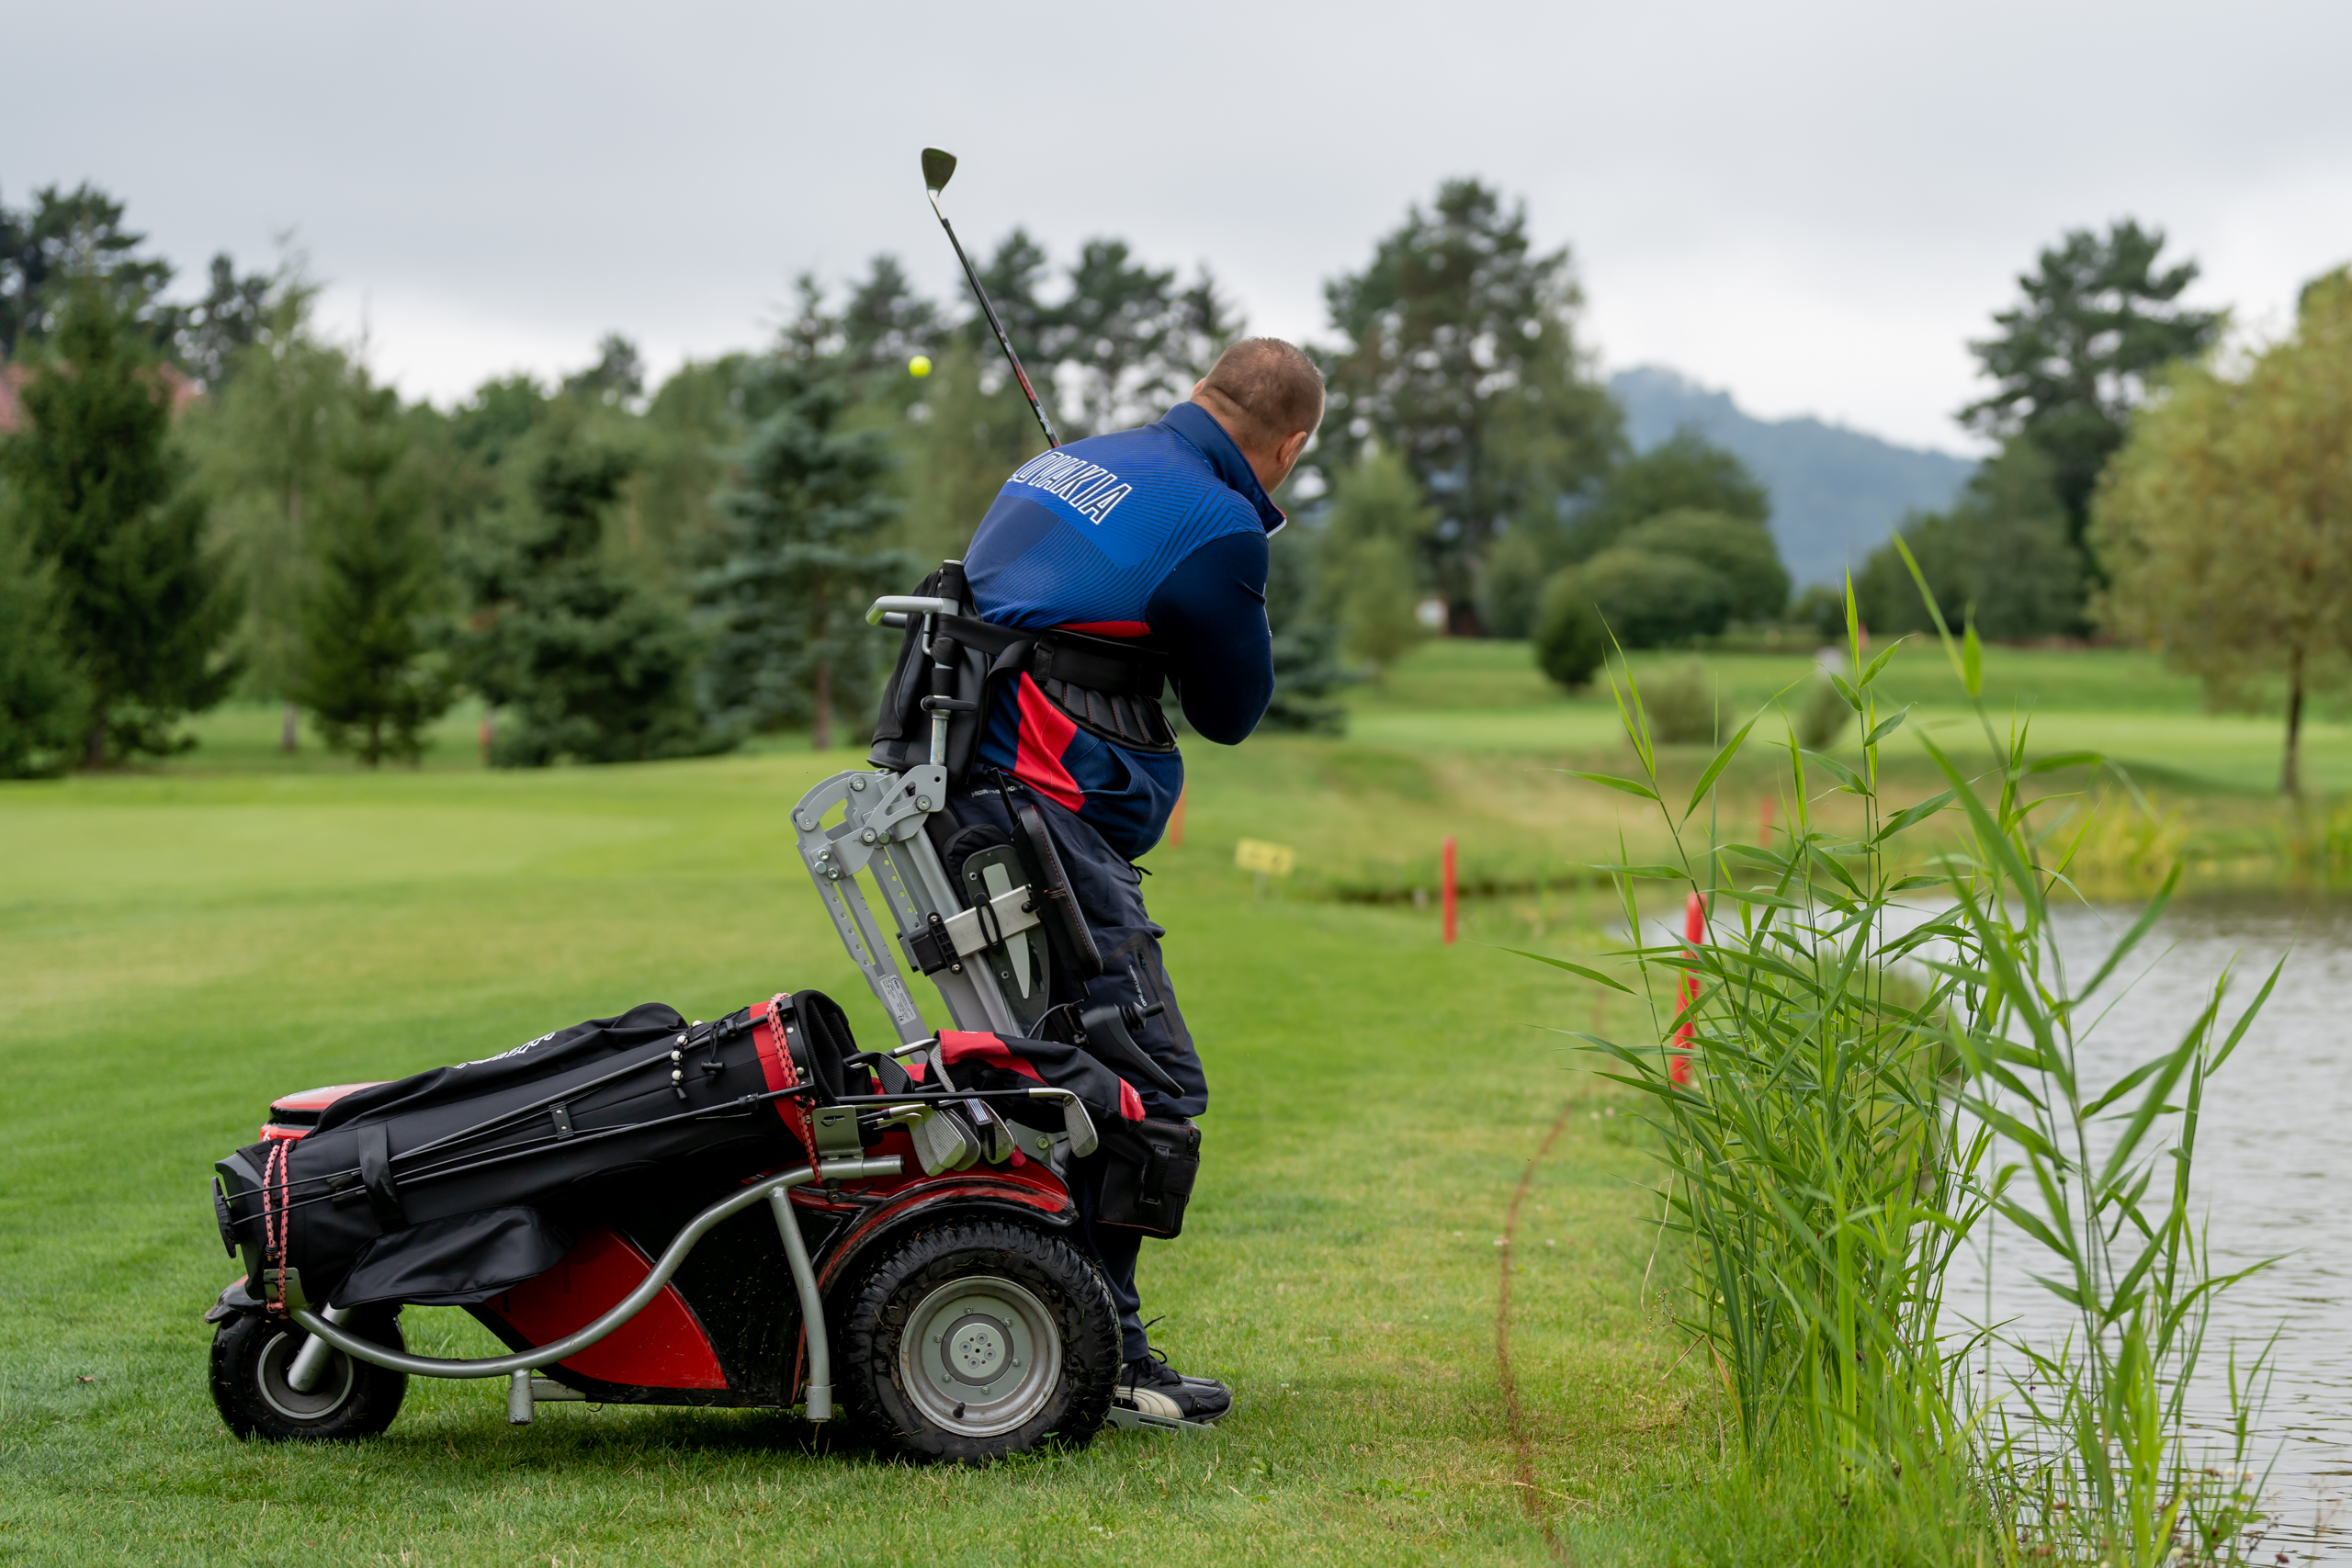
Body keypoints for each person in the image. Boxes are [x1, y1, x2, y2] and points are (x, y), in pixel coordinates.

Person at [945, 337, 1324, 1423]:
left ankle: (1072, 1327)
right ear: (1288, 444)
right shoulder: (1221, 523)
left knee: (1081, 1068)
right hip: (1039, 813)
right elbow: (1232, 711)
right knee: (1147, 1085)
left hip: (965, 796)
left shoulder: (1059, 465)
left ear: (1202, 393)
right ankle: (1100, 1350)